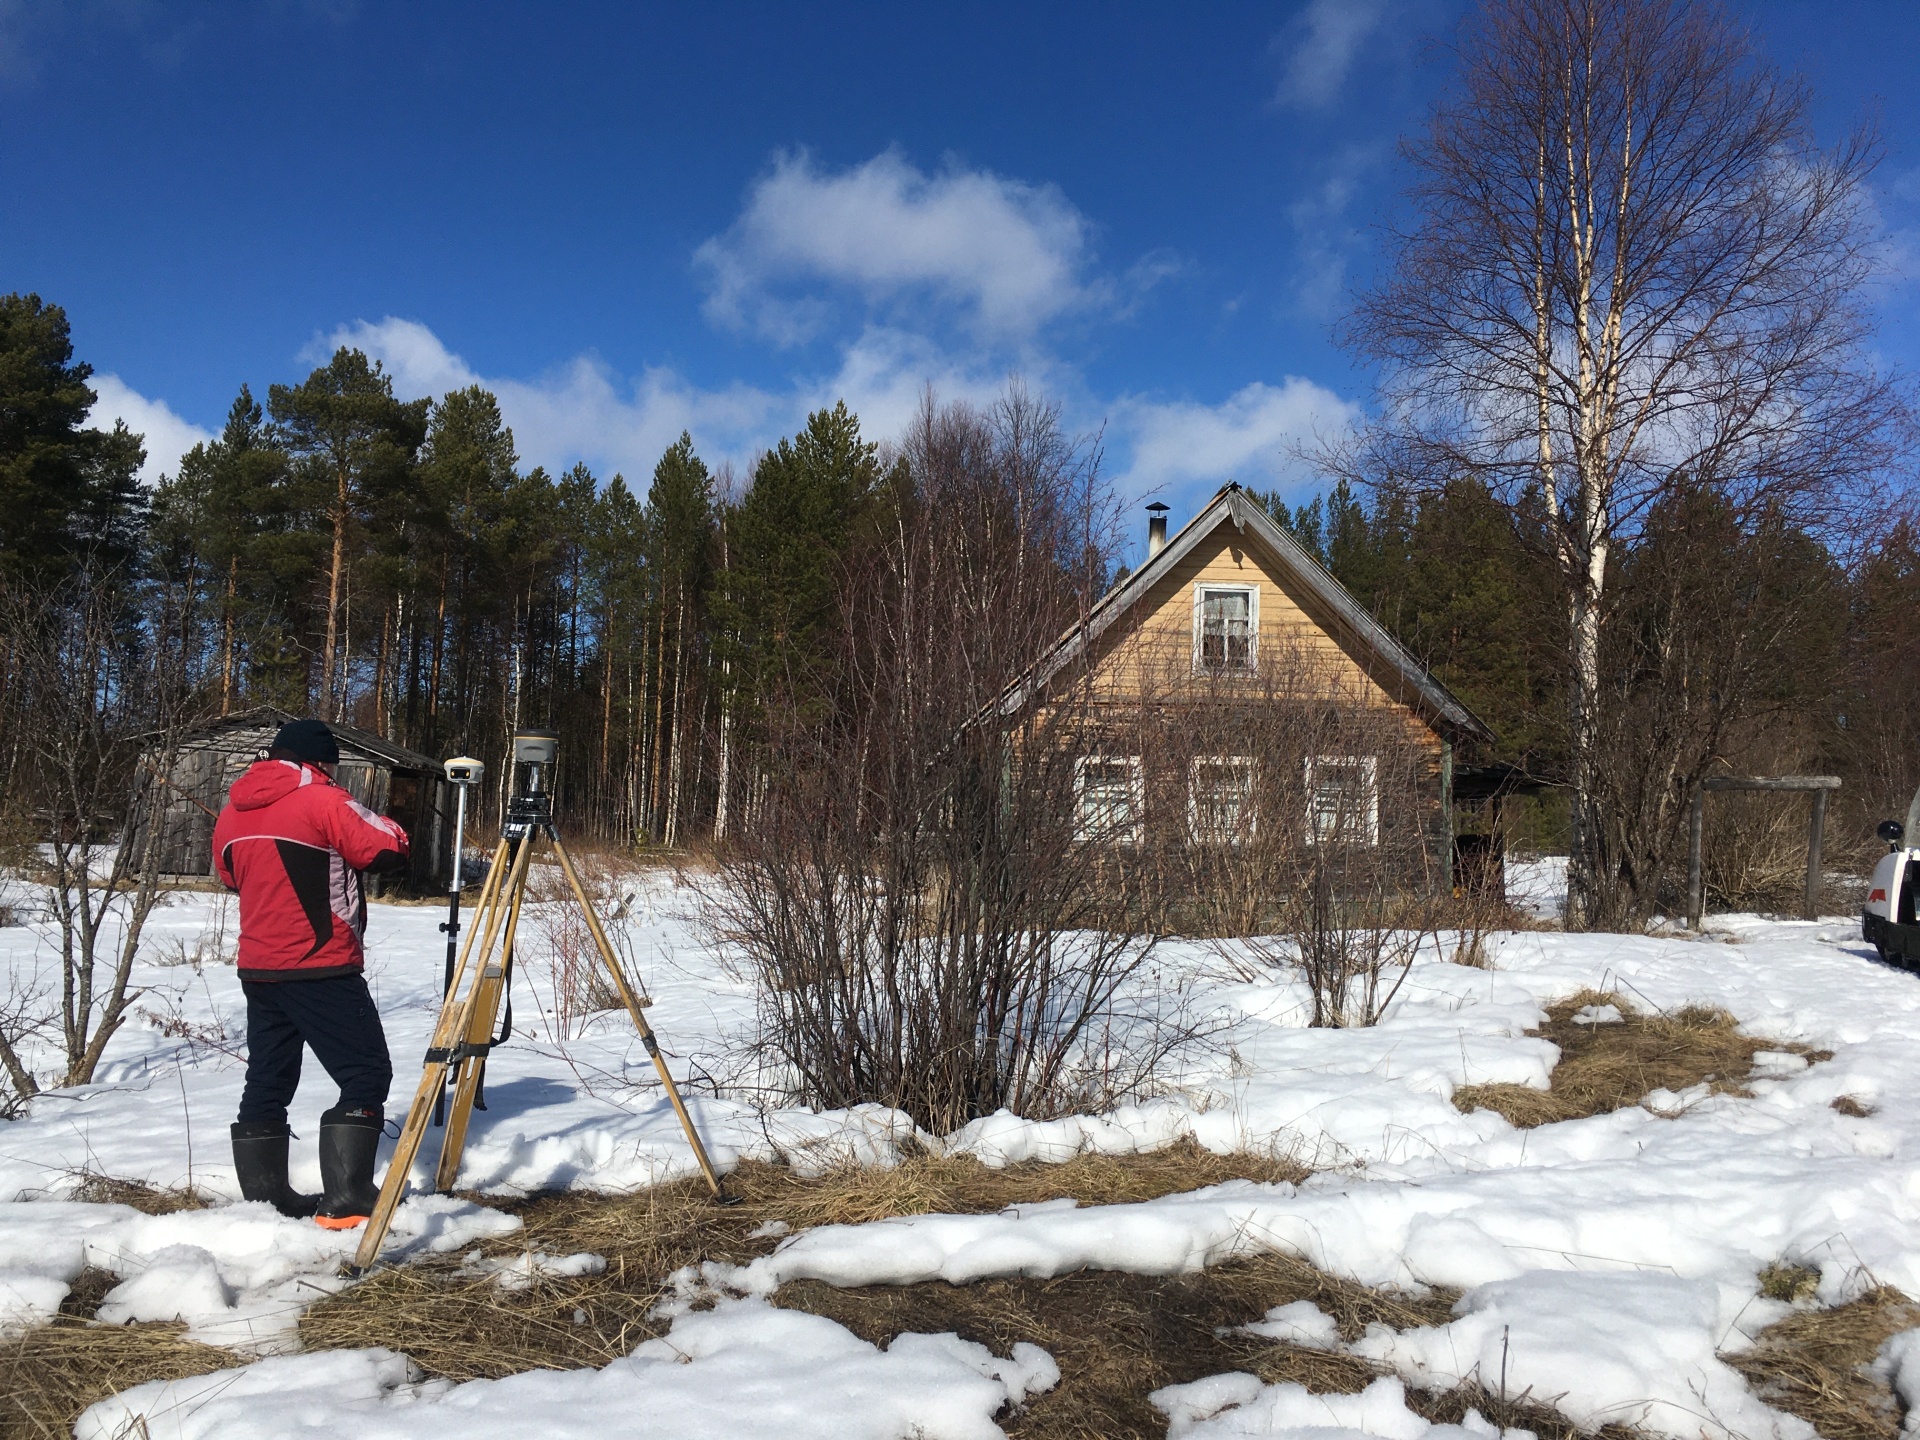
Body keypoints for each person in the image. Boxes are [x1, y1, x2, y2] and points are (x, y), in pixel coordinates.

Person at [212, 718, 410, 1228]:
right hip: (319, 963)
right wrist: (391, 821)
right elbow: (385, 849)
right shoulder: (324, 799)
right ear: (320, 762)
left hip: (258, 965)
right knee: (365, 1072)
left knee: (268, 1078)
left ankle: (266, 1204)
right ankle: (347, 1198)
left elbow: (230, 875)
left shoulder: (233, 809)